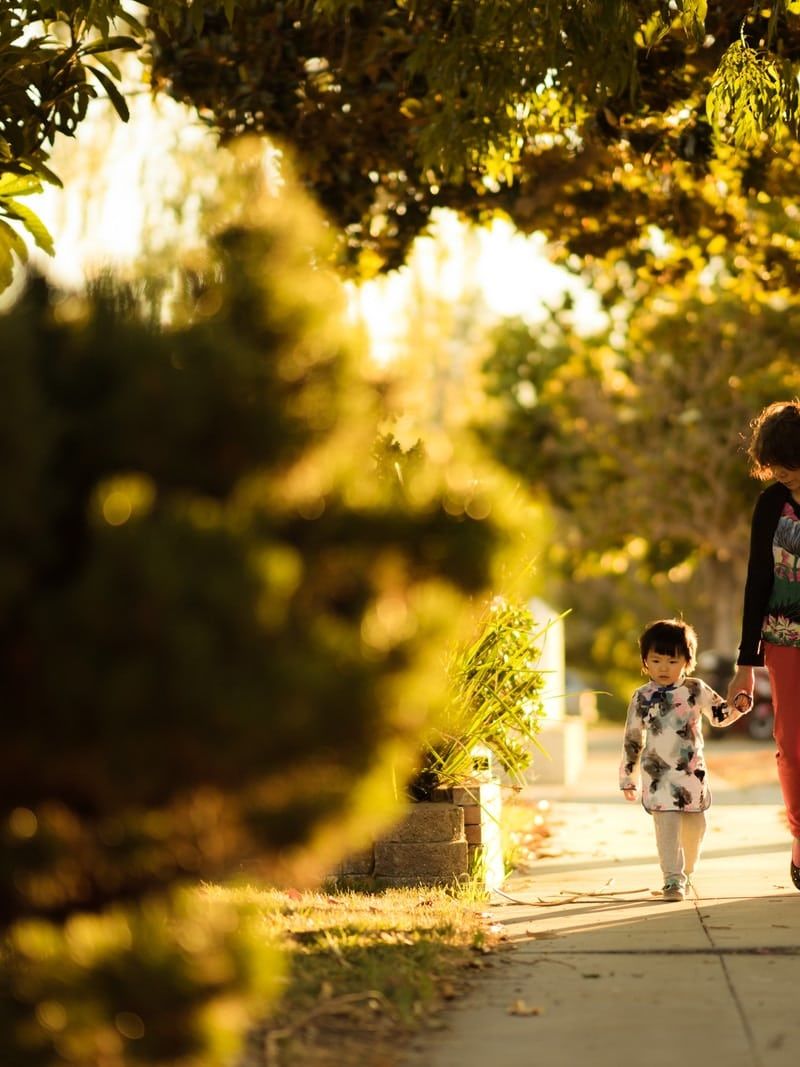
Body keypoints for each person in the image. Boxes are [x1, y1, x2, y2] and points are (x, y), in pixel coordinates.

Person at [620, 618, 749, 902]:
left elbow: (718, 716)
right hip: (657, 777)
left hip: (692, 775)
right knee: (666, 830)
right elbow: (632, 738)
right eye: (656, 660)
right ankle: (672, 879)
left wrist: (738, 708)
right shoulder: (642, 697)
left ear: (687, 662)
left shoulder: (696, 689)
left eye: (672, 660)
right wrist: (627, 777)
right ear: (645, 662)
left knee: (695, 830)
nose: (663, 668)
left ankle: (687, 870)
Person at [726, 400, 800, 891]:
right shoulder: (771, 503)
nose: (776, 471)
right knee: (792, 748)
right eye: (771, 462)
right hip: (784, 640)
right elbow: (757, 581)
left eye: (786, 461)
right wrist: (745, 663)